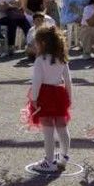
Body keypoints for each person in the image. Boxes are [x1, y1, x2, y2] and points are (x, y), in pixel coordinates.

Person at [26, 26, 72, 172]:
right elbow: (68, 80)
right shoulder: (61, 58)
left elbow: (37, 81)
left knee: (48, 130)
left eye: (36, 42)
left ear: (43, 43)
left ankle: (49, 161)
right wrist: (69, 97)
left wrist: (33, 97)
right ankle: (64, 156)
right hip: (59, 94)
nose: (35, 45)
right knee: (62, 126)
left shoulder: (40, 60)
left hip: (45, 95)